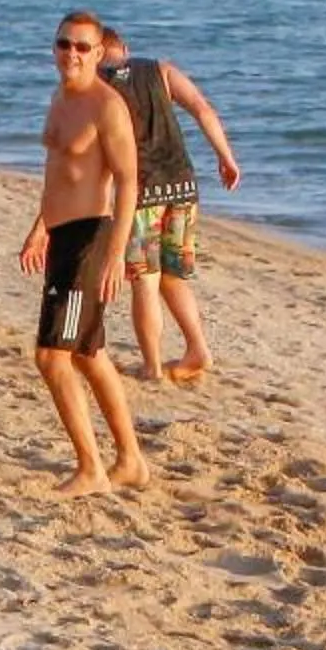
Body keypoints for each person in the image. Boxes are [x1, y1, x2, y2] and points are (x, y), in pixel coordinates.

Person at [19, 11, 148, 496]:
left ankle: (90, 468)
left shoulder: (105, 107)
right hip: (61, 235)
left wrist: (117, 255)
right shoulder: (60, 96)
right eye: (63, 44)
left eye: (81, 47)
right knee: (90, 355)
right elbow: (58, 171)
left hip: (91, 239)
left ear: (98, 53)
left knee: (52, 357)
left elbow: (129, 182)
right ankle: (131, 460)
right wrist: (40, 228)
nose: (70, 54)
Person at [97, 27, 241, 387]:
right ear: (126, 48)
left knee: (145, 281)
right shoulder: (160, 69)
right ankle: (198, 348)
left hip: (141, 191)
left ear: (97, 51)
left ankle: (152, 367)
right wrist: (226, 157)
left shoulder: (98, 82)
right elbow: (201, 108)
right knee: (175, 275)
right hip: (183, 184)